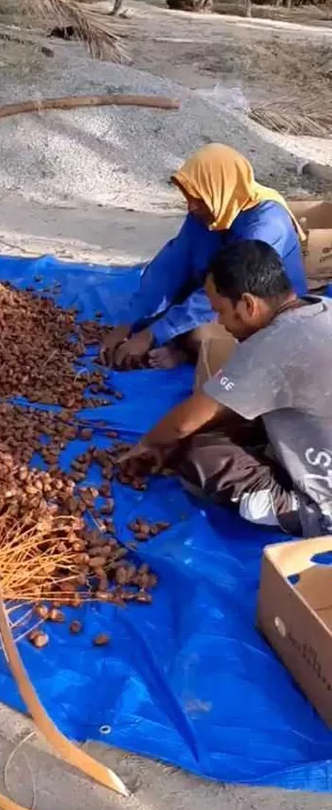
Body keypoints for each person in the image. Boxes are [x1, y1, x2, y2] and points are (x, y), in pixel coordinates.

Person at [121, 240, 332, 537]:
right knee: (239, 417)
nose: (220, 323)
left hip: (325, 505)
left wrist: (148, 446)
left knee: (198, 452)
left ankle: (295, 510)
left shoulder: (270, 345)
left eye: (220, 311)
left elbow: (184, 424)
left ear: (247, 304)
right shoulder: (322, 308)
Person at [100, 143, 307, 370]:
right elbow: (170, 267)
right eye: (188, 197)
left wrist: (153, 334)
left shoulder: (266, 225)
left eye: (197, 199)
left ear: (221, 188)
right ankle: (179, 339)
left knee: (205, 336)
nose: (191, 206)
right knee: (159, 312)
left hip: (249, 306)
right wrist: (127, 323)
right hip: (216, 293)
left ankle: (185, 352)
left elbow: (230, 290)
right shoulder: (210, 210)